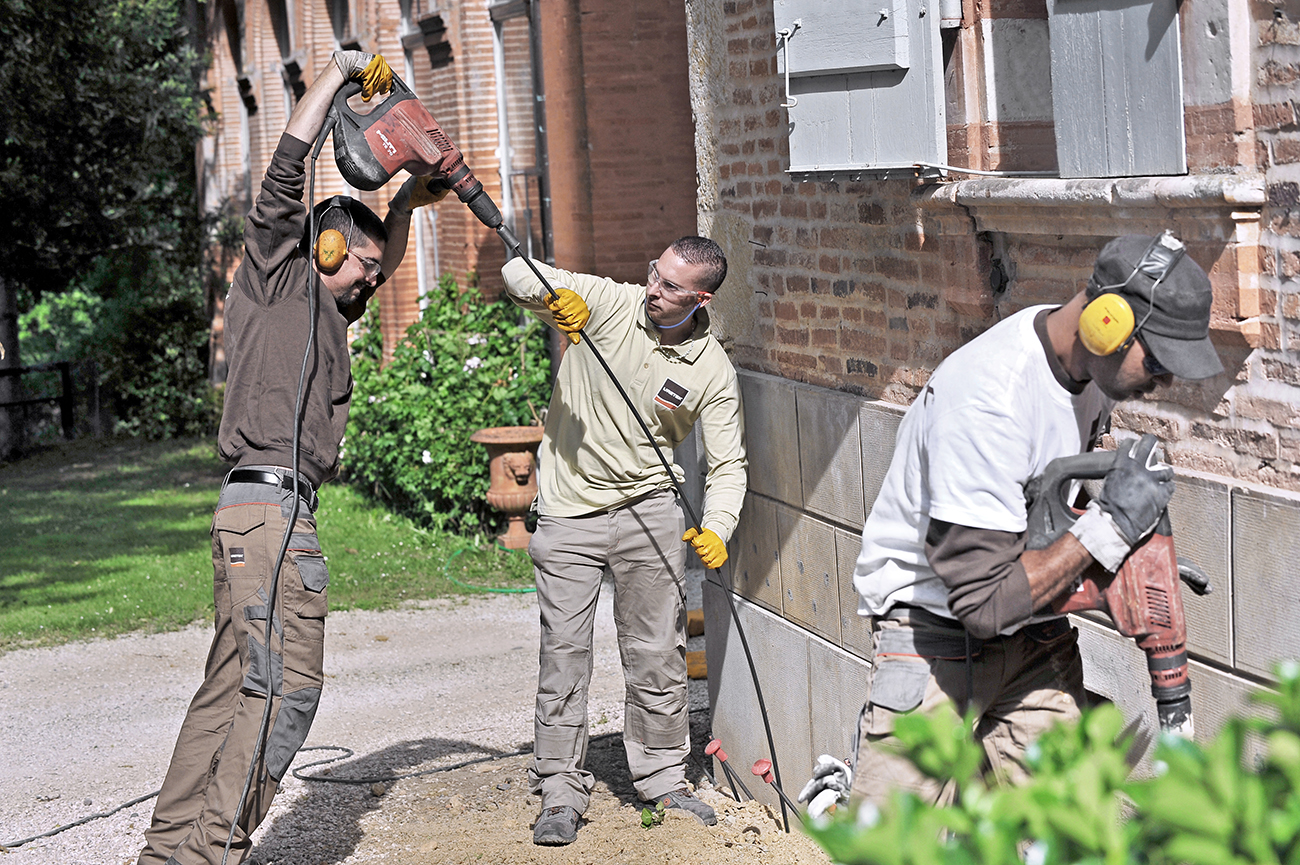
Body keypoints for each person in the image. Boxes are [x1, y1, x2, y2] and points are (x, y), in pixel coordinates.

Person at [138, 52, 442, 865]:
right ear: (327, 246)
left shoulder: (317, 314)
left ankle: (169, 854)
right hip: (271, 515)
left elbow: (381, 252)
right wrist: (339, 76)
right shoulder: (277, 272)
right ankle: (213, 851)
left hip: (251, 511)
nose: (371, 283)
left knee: (229, 689)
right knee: (287, 690)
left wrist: (411, 193)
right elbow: (286, 168)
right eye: (363, 267)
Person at [824, 232, 1224, 810]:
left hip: (1034, 637)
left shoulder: (1086, 378)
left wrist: (1134, 558)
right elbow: (985, 604)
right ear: (1106, 322)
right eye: (1158, 360)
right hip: (937, 636)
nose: (1164, 382)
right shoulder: (989, 401)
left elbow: (1053, 507)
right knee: (893, 844)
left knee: (1065, 829)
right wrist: (1108, 528)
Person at [501, 237, 747, 845]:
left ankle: (663, 776)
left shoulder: (711, 368)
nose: (653, 291)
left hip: (651, 515)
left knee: (657, 654)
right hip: (567, 515)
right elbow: (514, 271)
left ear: (701, 297)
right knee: (563, 655)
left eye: (669, 287)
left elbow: (728, 465)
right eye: (653, 274)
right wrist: (554, 300)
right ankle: (559, 786)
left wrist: (717, 528)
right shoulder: (608, 302)